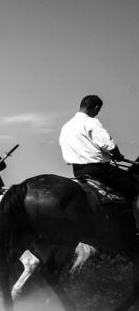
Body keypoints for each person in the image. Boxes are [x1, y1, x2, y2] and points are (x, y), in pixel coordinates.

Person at [59, 94, 139, 227]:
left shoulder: (66, 126)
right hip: (99, 170)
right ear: (96, 107)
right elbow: (108, 144)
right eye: (98, 110)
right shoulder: (91, 122)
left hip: (78, 171)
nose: (97, 113)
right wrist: (116, 154)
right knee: (136, 190)